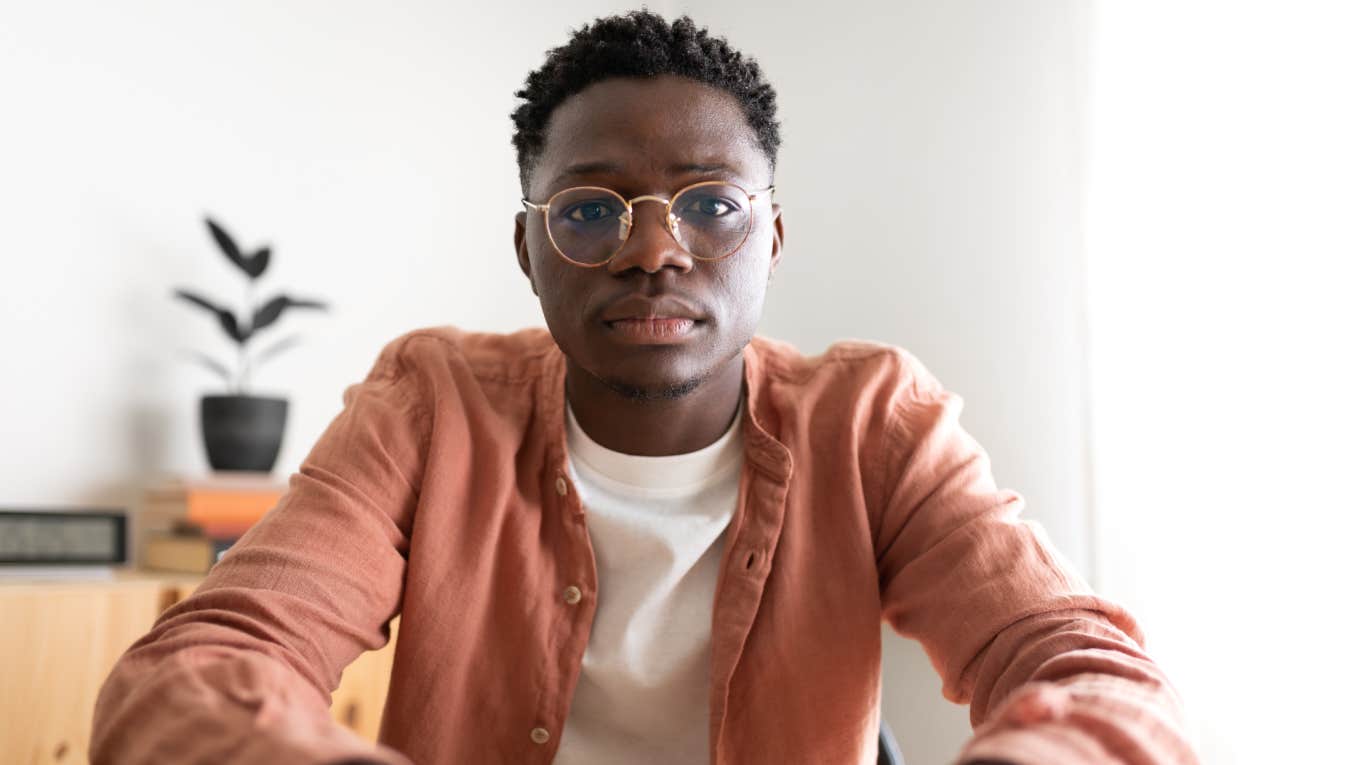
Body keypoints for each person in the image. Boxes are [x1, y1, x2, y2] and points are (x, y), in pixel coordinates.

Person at [91, 10, 1197, 765]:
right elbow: (196, 674)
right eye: (588, 211)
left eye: (711, 204)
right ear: (528, 253)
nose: (653, 252)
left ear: (772, 240)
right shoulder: (431, 407)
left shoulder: (873, 423)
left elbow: (1088, 672)